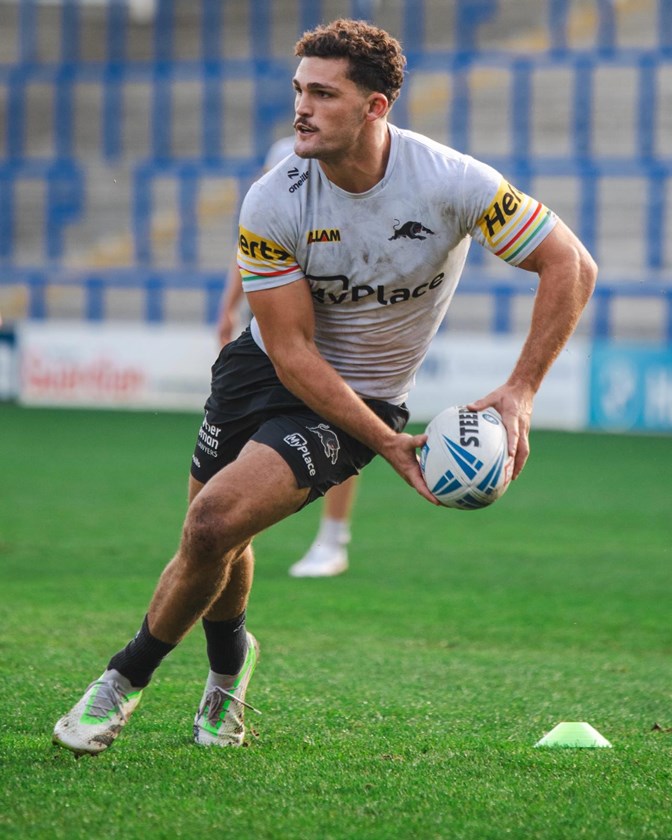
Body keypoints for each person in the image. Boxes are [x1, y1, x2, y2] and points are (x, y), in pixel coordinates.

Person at [53, 19, 596, 756]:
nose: (301, 109)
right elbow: (291, 351)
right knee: (214, 536)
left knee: (212, 524)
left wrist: (521, 390)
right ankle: (229, 667)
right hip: (262, 368)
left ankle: (123, 678)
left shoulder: (454, 182)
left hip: (361, 398)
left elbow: (571, 264)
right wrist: (391, 449)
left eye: (323, 94)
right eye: (298, 90)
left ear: (375, 107)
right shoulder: (272, 200)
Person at [217, 137, 356, 578]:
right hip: (276, 315)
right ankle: (231, 531)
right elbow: (252, 240)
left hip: (334, 322)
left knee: (344, 421)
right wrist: (228, 306)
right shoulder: (281, 159)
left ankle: (333, 540)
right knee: (252, 423)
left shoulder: (354, 165)